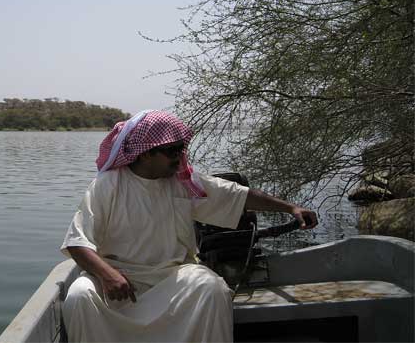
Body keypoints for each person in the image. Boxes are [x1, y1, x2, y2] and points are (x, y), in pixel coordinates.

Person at [60, 110, 318, 342]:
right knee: (79, 295)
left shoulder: (184, 182)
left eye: (181, 148)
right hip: (120, 280)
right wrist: (107, 275)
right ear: (147, 152)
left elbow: (239, 196)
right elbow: (77, 242)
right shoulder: (108, 185)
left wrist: (290, 208)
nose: (179, 156)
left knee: (212, 288)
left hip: (173, 276)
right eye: (172, 150)